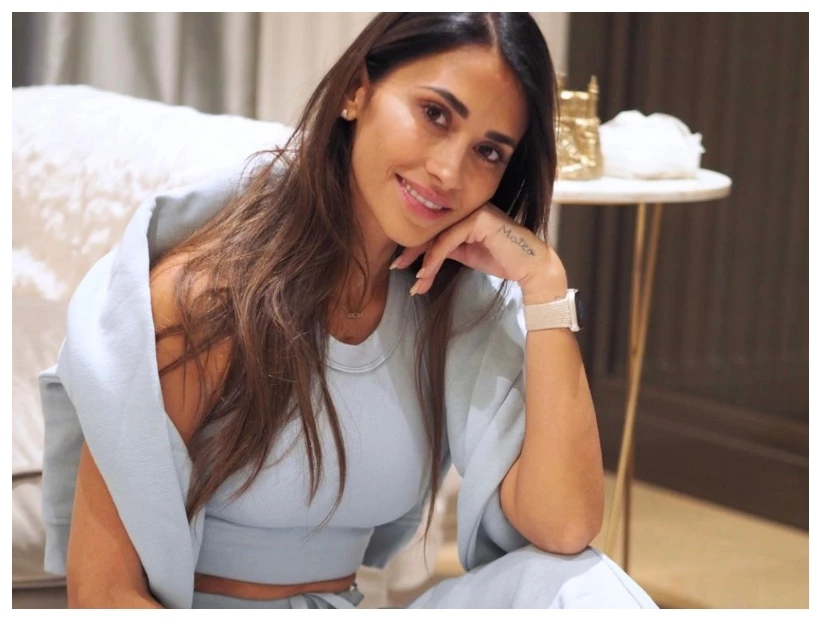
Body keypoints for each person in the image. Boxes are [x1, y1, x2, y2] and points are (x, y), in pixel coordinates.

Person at [39, 13, 657, 609]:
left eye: (489, 152)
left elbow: (564, 526)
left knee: (582, 589)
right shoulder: (208, 299)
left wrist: (545, 284)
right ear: (356, 92)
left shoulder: (453, 307)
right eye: (435, 114)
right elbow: (102, 594)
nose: (449, 171)